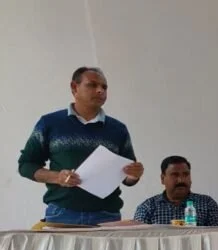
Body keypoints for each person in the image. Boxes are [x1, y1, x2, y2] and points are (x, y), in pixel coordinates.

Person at [17, 67, 144, 226]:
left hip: (107, 215)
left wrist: (134, 175)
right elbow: (26, 165)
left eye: (104, 87)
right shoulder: (50, 123)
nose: (100, 90)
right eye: (92, 85)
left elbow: (127, 176)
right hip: (62, 213)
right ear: (74, 88)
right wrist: (57, 177)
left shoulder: (118, 129)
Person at [133, 156, 218, 226]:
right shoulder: (147, 208)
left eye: (186, 174)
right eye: (175, 175)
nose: (181, 180)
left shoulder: (207, 204)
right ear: (162, 178)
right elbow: (139, 240)